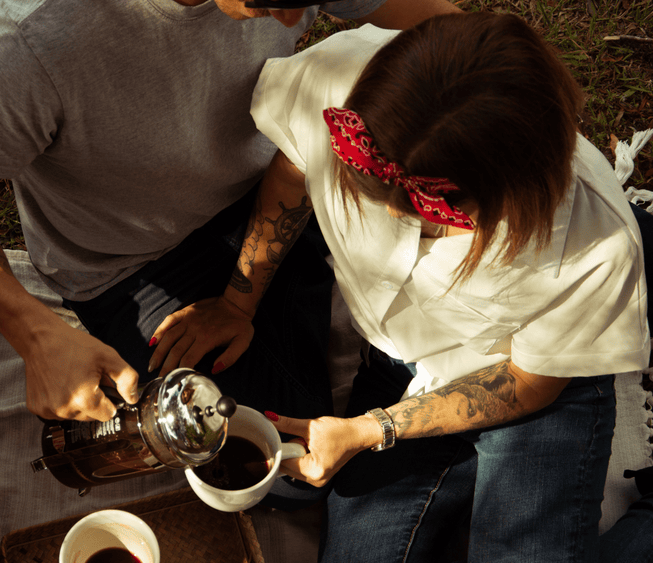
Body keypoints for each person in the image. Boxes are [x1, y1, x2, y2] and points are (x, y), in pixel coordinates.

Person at [0, 0, 460, 427]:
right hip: (130, 264)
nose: (294, 20)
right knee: (269, 449)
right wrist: (37, 336)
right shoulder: (30, 40)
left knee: (422, 341)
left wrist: (242, 300)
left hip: (273, 184)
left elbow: (449, 29)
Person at [226, 11, 650, 561]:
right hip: (397, 365)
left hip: (536, 383)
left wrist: (370, 430)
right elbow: (291, 172)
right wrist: (237, 302)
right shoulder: (336, 77)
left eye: (431, 213)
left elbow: (529, 382)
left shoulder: (600, 245)